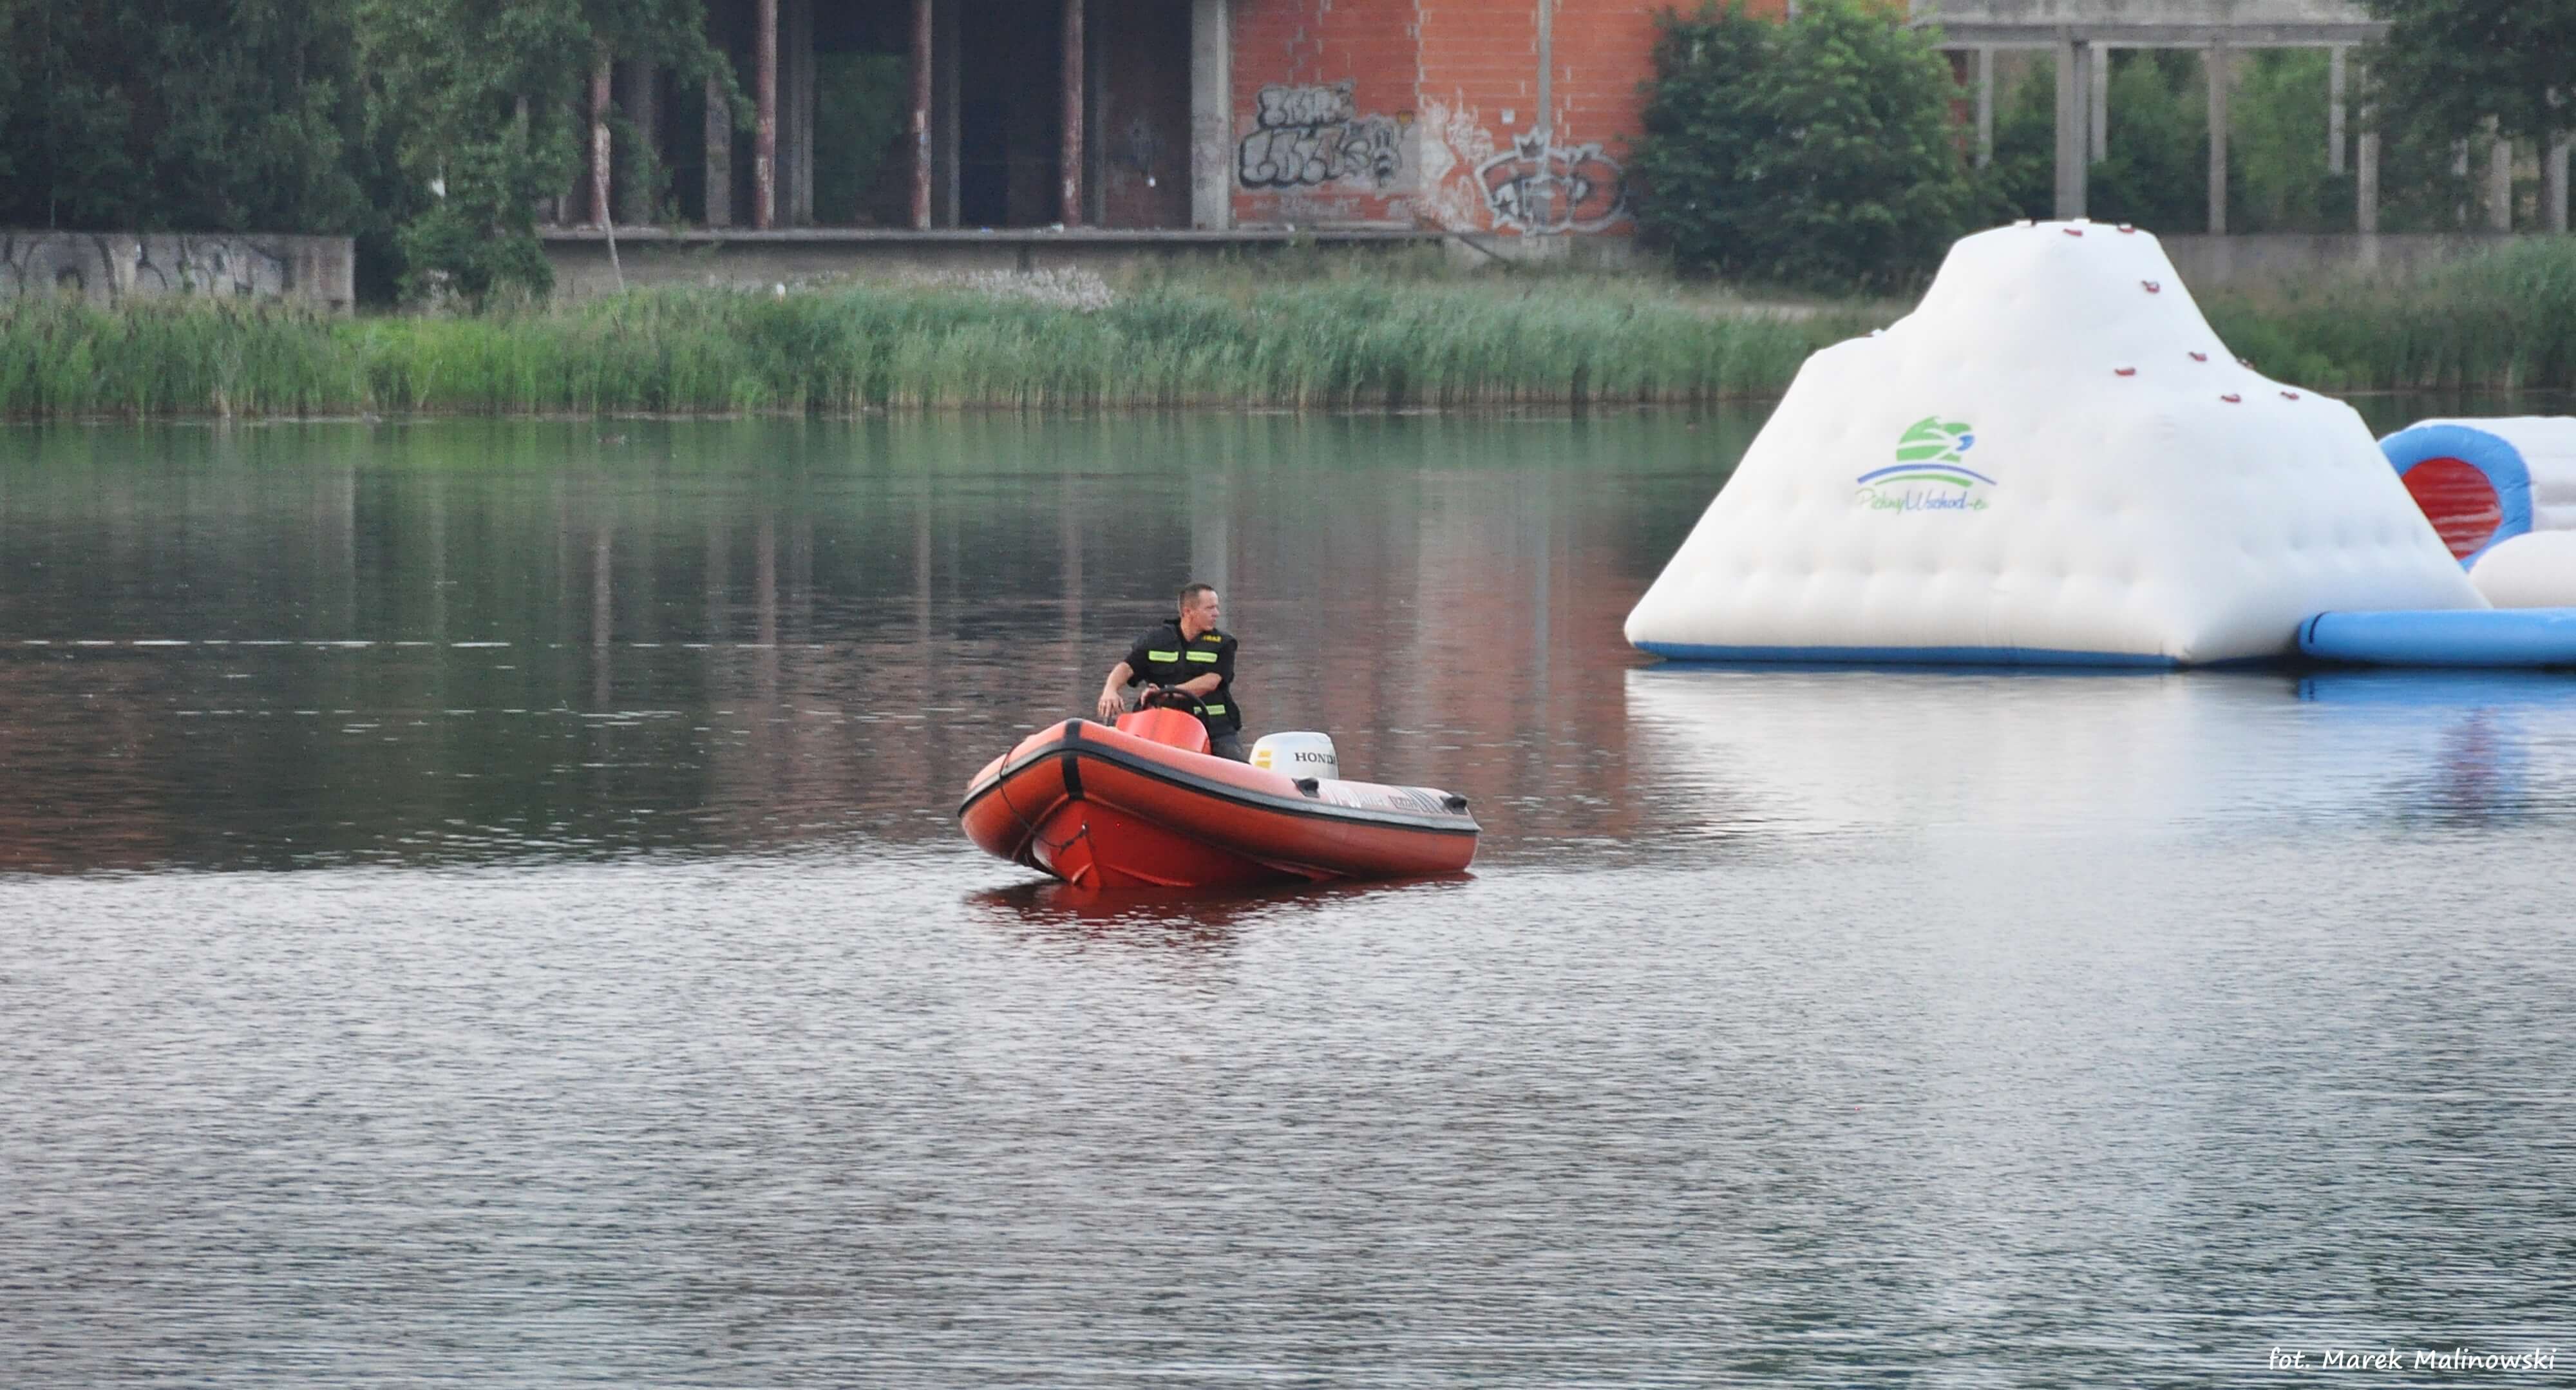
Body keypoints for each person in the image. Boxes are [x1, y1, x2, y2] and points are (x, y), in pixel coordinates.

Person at [1096, 582, 1246, 759]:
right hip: (1160, 724)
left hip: (1213, 728)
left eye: (1216, 607)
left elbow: (1211, 682)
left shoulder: (1224, 644)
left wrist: (1165, 692)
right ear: (1188, 612)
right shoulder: (1156, 640)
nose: (1217, 614)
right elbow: (1127, 667)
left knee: (1234, 760)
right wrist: (1111, 690)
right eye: (1210, 608)